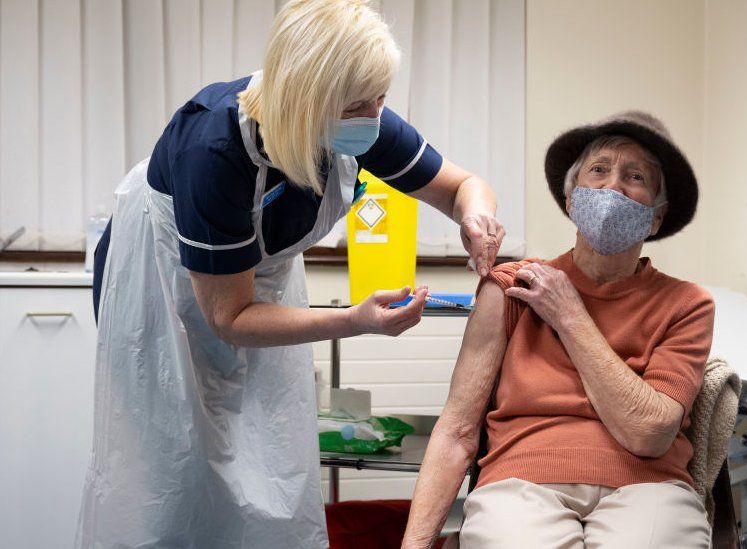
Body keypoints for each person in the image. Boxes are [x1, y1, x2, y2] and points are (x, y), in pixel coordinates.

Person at [77, 1, 505, 547]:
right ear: (308, 98)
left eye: (381, 98)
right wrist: (354, 320)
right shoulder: (215, 149)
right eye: (360, 103)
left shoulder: (358, 119)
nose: (376, 116)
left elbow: (461, 185)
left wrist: (476, 214)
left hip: (258, 292)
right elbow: (229, 315)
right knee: (168, 472)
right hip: (164, 294)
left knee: (272, 459)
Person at [402, 111, 714, 548]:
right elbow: (456, 430)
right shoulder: (511, 286)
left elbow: (650, 431)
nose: (612, 186)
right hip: (522, 482)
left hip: (649, 487)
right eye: (599, 170)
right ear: (572, 199)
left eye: (636, 176)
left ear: (656, 219)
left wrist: (569, 315)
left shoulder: (686, 304)